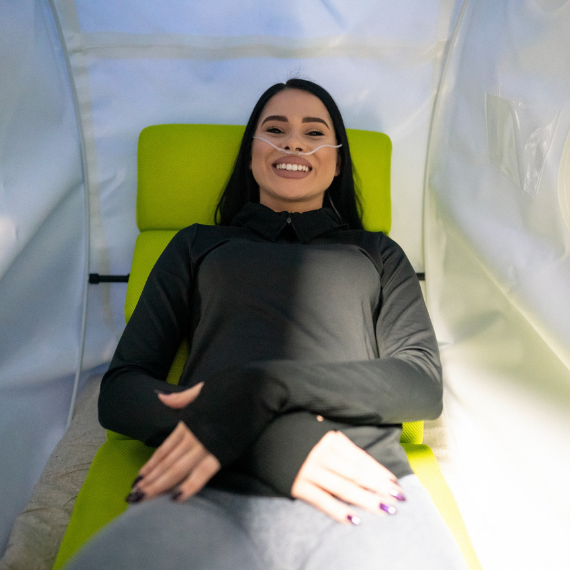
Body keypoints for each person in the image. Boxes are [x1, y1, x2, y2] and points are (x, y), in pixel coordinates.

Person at [67, 79, 467, 569]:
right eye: (274, 130)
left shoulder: (378, 253)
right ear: (252, 153)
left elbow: (420, 385)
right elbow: (121, 392)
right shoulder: (198, 245)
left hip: (359, 480)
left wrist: (261, 387)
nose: (293, 142)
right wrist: (240, 430)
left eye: (313, 132)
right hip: (207, 479)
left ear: (337, 160)